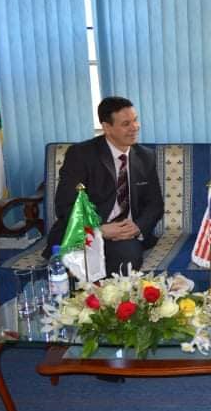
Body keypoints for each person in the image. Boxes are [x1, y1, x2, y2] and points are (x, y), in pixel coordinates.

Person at [43, 96, 164, 276]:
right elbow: (65, 204)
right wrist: (98, 230)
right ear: (107, 127)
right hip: (85, 232)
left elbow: (155, 204)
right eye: (126, 124)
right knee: (76, 259)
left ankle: (104, 292)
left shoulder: (145, 156)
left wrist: (137, 227)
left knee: (127, 259)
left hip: (124, 236)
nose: (134, 127)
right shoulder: (81, 155)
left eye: (135, 120)